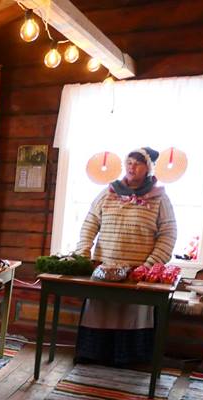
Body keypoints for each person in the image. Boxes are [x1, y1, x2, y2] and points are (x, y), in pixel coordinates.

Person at [75, 146, 177, 365]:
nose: (132, 167)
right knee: (100, 312)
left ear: (148, 169)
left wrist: (149, 266)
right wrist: (83, 253)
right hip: (103, 270)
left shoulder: (159, 198)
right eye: (129, 162)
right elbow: (90, 223)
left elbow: (168, 234)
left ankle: (129, 360)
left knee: (133, 316)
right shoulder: (108, 193)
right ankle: (94, 355)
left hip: (136, 273)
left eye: (138, 164)